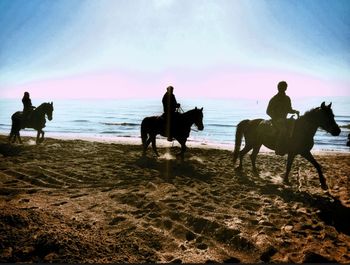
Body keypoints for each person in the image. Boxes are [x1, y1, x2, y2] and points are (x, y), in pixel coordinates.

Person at [266, 81, 299, 155]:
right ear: (278, 88)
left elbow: (289, 109)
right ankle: (279, 148)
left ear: (286, 88)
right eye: (281, 87)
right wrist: (276, 118)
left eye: (284, 87)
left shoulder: (287, 98)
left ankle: (291, 145)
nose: (283, 88)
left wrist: (295, 111)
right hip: (276, 120)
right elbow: (268, 111)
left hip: (284, 119)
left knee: (295, 126)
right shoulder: (274, 99)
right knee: (283, 130)